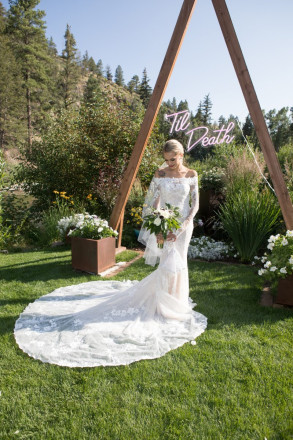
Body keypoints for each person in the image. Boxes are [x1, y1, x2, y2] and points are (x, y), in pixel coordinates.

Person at [14, 140, 207, 368]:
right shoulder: (161, 173)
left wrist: (183, 225)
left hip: (183, 227)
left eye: (172, 159)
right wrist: (159, 226)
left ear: (182, 154)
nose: (169, 163)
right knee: (168, 262)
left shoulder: (192, 174)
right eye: (166, 159)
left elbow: (194, 205)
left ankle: (177, 300)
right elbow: (152, 203)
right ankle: (165, 304)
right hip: (165, 224)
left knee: (180, 262)